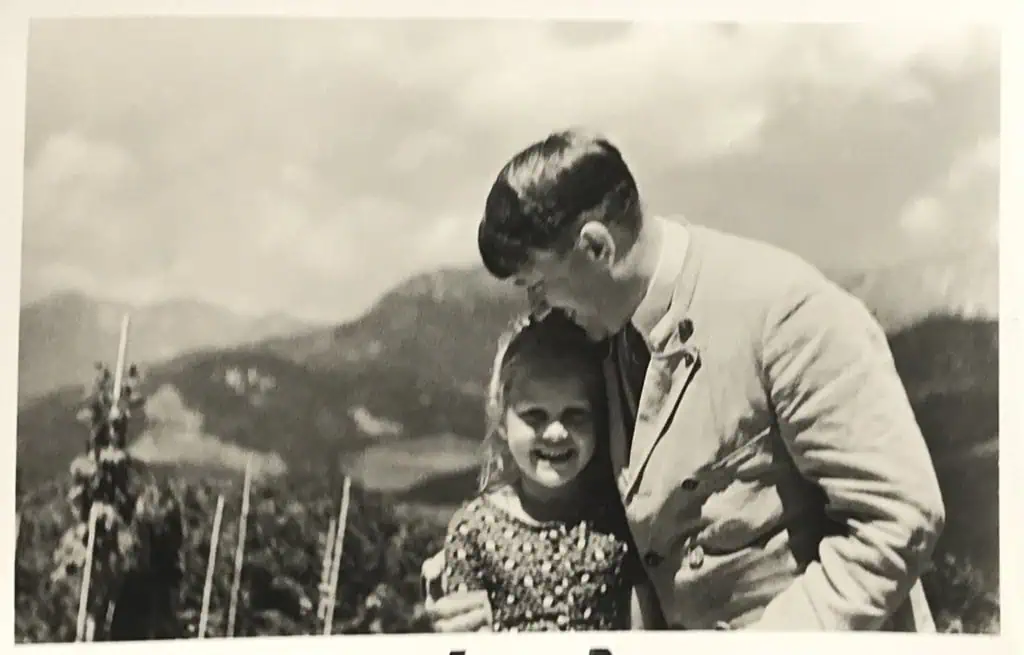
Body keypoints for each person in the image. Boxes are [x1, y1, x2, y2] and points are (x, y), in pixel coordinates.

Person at [424, 128, 945, 632]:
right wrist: (481, 567)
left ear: (596, 247)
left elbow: (899, 518)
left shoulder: (786, 313)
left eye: (537, 285)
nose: (536, 310)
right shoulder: (604, 335)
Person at [427, 309, 661, 631]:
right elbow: (460, 634)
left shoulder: (621, 521)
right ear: (503, 423)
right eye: (534, 415)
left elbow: (643, 638)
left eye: (575, 414)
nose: (556, 432)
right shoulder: (475, 531)